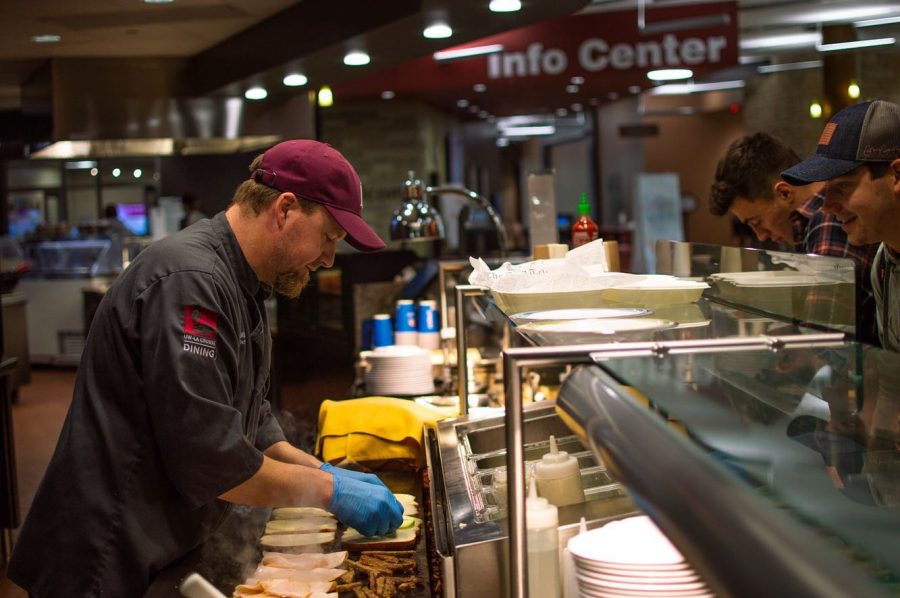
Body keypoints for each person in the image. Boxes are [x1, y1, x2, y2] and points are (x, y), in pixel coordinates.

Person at [7, 140, 401, 597]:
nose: (329, 258)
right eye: (329, 237)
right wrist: (329, 490)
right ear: (285, 208)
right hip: (107, 555)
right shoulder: (190, 282)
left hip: (159, 543)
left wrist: (326, 470)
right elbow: (214, 464)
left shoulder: (243, 282)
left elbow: (253, 426)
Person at [709, 132, 880, 345]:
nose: (761, 235)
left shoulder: (828, 223)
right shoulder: (808, 226)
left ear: (785, 193)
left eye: (757, 222)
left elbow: (825, 341)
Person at [781, 99, 900, 352]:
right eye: (827, 190)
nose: (827, 206)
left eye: (843, 187)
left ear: (896, 176)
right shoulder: (884, 261)